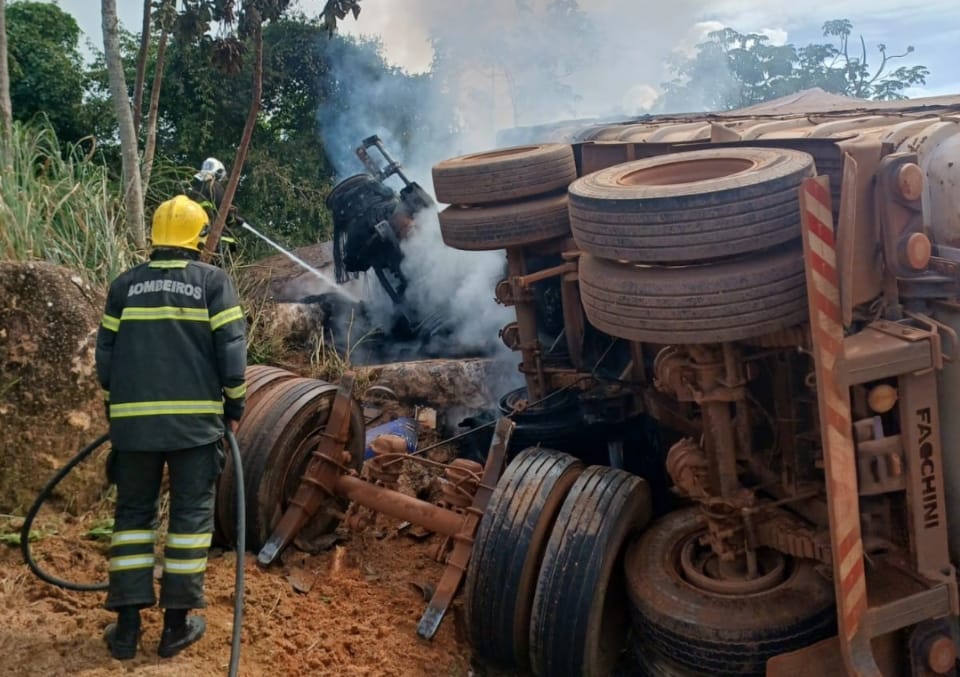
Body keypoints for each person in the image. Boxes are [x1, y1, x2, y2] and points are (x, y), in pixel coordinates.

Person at [95, 195, 247, 660]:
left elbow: (105, 359)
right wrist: (234, 408)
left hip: (133, 429)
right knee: (189, 521)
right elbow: (233, 354)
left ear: (157, 239)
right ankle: (175, 627)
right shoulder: (212, 284)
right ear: (198, 240)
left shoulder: (124, 286)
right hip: (194, 429)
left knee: (132, 519)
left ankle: (125, 631)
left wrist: (117, 411)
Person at [187, 157, 241, 252]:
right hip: (210, 233)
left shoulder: (193, 188)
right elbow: (223, 210)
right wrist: (233, 217)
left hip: (192, 233)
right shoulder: (215, 186)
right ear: (217, 172)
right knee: (229, 240)